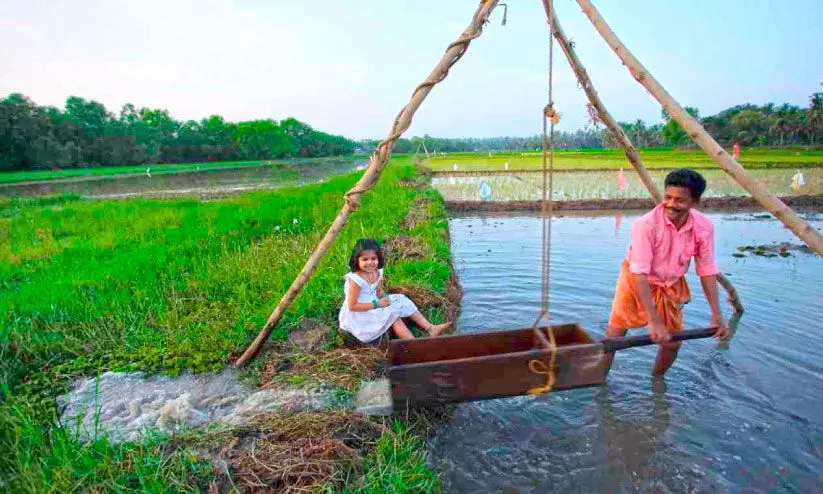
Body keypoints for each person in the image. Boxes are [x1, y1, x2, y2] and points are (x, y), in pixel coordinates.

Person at [604, 169, 729, 377]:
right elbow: (640, 273)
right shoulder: (646, 225)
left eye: (680, 200)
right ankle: (600, 383)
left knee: (672, 344)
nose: (671, 204)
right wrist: (654, 320)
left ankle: (657, 383)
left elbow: (706, 270)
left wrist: (716, 313)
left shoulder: (703, 226)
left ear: (694, 201)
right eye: (667, 197)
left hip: (670, 284)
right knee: (614, 338)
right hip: (636, 281)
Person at [339, 238, 452, 343]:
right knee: (393, 316)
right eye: (365, 259)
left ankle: (430, 327)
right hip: (360, 315)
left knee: (401, 299)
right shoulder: (356, 279)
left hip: (374, 304)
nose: (370, 263)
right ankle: (414, 344)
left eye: (373, 259)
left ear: (378, 258)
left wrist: (385, 297)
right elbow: (352, 306)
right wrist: (377, 304)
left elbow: (378, 291)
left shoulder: (377, 272)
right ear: (356, 260)